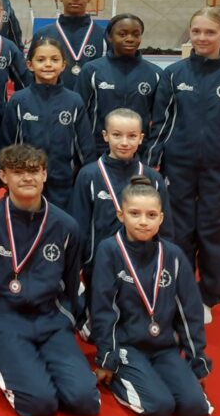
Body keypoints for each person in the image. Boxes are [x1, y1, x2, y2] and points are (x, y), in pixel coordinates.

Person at [0, 144, 100, 416]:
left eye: (34, 171)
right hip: (4, 322)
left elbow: (71, 282)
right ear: (3, 176)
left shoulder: (66, 226)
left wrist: (69, 319)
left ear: (45, 175)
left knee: (85, 401)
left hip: (51, 321)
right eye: (18, 172)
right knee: (39, 404)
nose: (27, 178)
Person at [146, 6, 220, 323]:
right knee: (178, 231)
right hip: (177, 167)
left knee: (214, 232)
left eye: (210, 32)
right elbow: (161, 122)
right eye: (196, 31)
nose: (201, 37)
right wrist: (150, 163)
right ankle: (181, 291)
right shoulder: (174, 74)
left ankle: (208, 296)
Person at [90, 181, 212, 416]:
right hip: (127, 347)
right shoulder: (110, 250)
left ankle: (156, 377)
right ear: (121, 215)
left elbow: (189, 312)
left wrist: (197, 361)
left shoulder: (173, 256)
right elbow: (104, 310)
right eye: (135, 214)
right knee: (159, 405)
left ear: (161, 218)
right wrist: (107, 358)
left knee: (195, 406)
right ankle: (119, 379)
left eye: (151, 215)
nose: (143, 221)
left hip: (164, 348)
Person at [70, 109, 171, 288]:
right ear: (105, 136)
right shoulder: (89, 175)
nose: (124, 142)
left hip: (142, 266)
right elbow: (80, 225)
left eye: (132, 136)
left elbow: (165, 228)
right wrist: (78, 267)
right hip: (98, 266)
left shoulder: (153, 178)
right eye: (117, 135)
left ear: (141, 138)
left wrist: (164, 263)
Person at [1, 37, 95, 210]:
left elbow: (85, 149)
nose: (48, 64)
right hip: (26, 182)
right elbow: (8, 145)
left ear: (63, 65)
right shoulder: (19, 100)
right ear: (30, 65)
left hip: (64, 186)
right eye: (41, 60)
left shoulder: (74, 101)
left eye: (54, 59)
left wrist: (86, 182)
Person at [76, 13, 162, 156]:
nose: (130, 39)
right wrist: (87, 153)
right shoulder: (91, 70)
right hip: (98, 151)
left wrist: (150, 154)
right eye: (122, 34)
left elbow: (159, 121)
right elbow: (80, 116)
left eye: (136, 34)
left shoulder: (155, 74)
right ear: (110, 37)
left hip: (138, 153)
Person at [31, 0, 106, 90]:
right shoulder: (42, 35)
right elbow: (32, 75)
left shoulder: (104, 35)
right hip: (52, 100)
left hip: (92, 100)